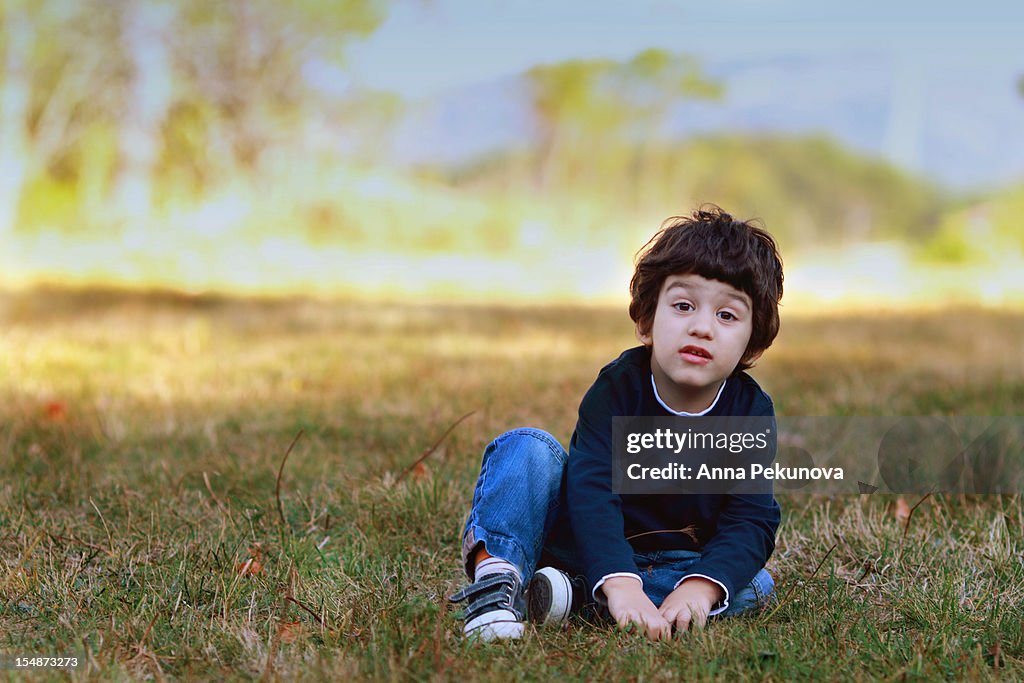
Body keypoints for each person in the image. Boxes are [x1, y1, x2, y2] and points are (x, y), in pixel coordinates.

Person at [449, 206, 784, 641]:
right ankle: (498, 582)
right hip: (584, 542)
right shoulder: (619, 388)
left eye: (727, 315)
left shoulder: (749, 414)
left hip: (677, 564)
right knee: (528, 447)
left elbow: (751, 518)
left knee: (754, 586)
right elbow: (592, 489)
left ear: (752, 340)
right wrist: (619, 579)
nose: (702, 327)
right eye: (683, 306)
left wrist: (700, 588)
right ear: (647, 320)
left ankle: (570, 596)